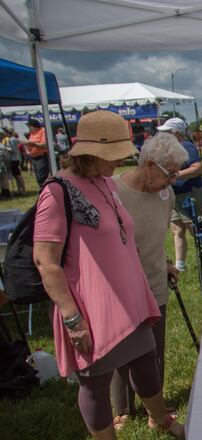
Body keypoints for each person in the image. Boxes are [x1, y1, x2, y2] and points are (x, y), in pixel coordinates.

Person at [32, 110, 183, 439]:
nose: (120, 162)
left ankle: (161, 419)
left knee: (146, 361)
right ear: (92, 153)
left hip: (130, 297)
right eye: (113, 155)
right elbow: (45, 260)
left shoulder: (103, 182)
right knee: (96, 382)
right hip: (93, 305)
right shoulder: (57, 191)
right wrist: (72, 318)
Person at [109, 133, 187, 430]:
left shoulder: (167, 194)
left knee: (155, 346)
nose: (173, 180)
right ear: (151, 166)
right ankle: (123, 409)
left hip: (154, 279)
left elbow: (157, 234)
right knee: (122, 347)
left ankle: (155, 408)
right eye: (170, 173)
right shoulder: (113, 191)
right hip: (123, 284)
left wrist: (166, 262)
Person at [158, 118, 202, 272]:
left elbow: (197, 168)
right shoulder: (168, 149)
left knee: (194, 229)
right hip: (176, 196)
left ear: (177, 133)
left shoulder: (186, 146)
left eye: (167, 132)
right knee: (177, 229)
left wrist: (174, 175)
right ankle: (180, 265)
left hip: (191, 193)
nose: (163, 135)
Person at [25, 118, 50, 188]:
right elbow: (29, 146)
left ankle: (46, 191)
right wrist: (27, 149)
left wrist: (32, 143)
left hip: (41, 157)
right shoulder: (32, 134)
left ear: (34, 126)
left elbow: (44, 145)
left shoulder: (42, 131)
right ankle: (43, 190)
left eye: (29, 126)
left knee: (41, 177)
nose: (28, 128)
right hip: (34, 158)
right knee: (37, 177)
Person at [6, 131, 24, 195]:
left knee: (18, 175)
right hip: (15, 159)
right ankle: (20, 190)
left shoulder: (12, 140)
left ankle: (23, 190)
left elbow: (13, 150)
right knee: (16, 176)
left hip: (14, 160)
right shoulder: (13, 139)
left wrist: (5, 148)